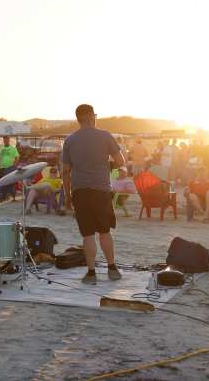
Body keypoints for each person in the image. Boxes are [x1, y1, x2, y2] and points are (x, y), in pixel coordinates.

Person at [62, 104, 125, 284]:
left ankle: (91, 273)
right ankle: (112, 268)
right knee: (104, 231)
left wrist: (67, 197)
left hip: (79, 191)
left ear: (78, 118)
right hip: (101, 190)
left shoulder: (70, 140)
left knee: (87, 234)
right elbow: (120, 161)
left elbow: (65, 171)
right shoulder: (105, 136)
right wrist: (111, 166)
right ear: (90, 116)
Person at [0, 136, 20, 200]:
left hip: (10, 168)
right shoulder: (1, 148)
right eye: (4, 140)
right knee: (1, 182)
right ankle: (2, 195)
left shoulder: (13, 148)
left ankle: (9, 195)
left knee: (9, 182)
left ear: (9, 140)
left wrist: (14, 166)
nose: (5, 141)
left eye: (7, 140)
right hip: (2, 168)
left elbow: (17, 157)